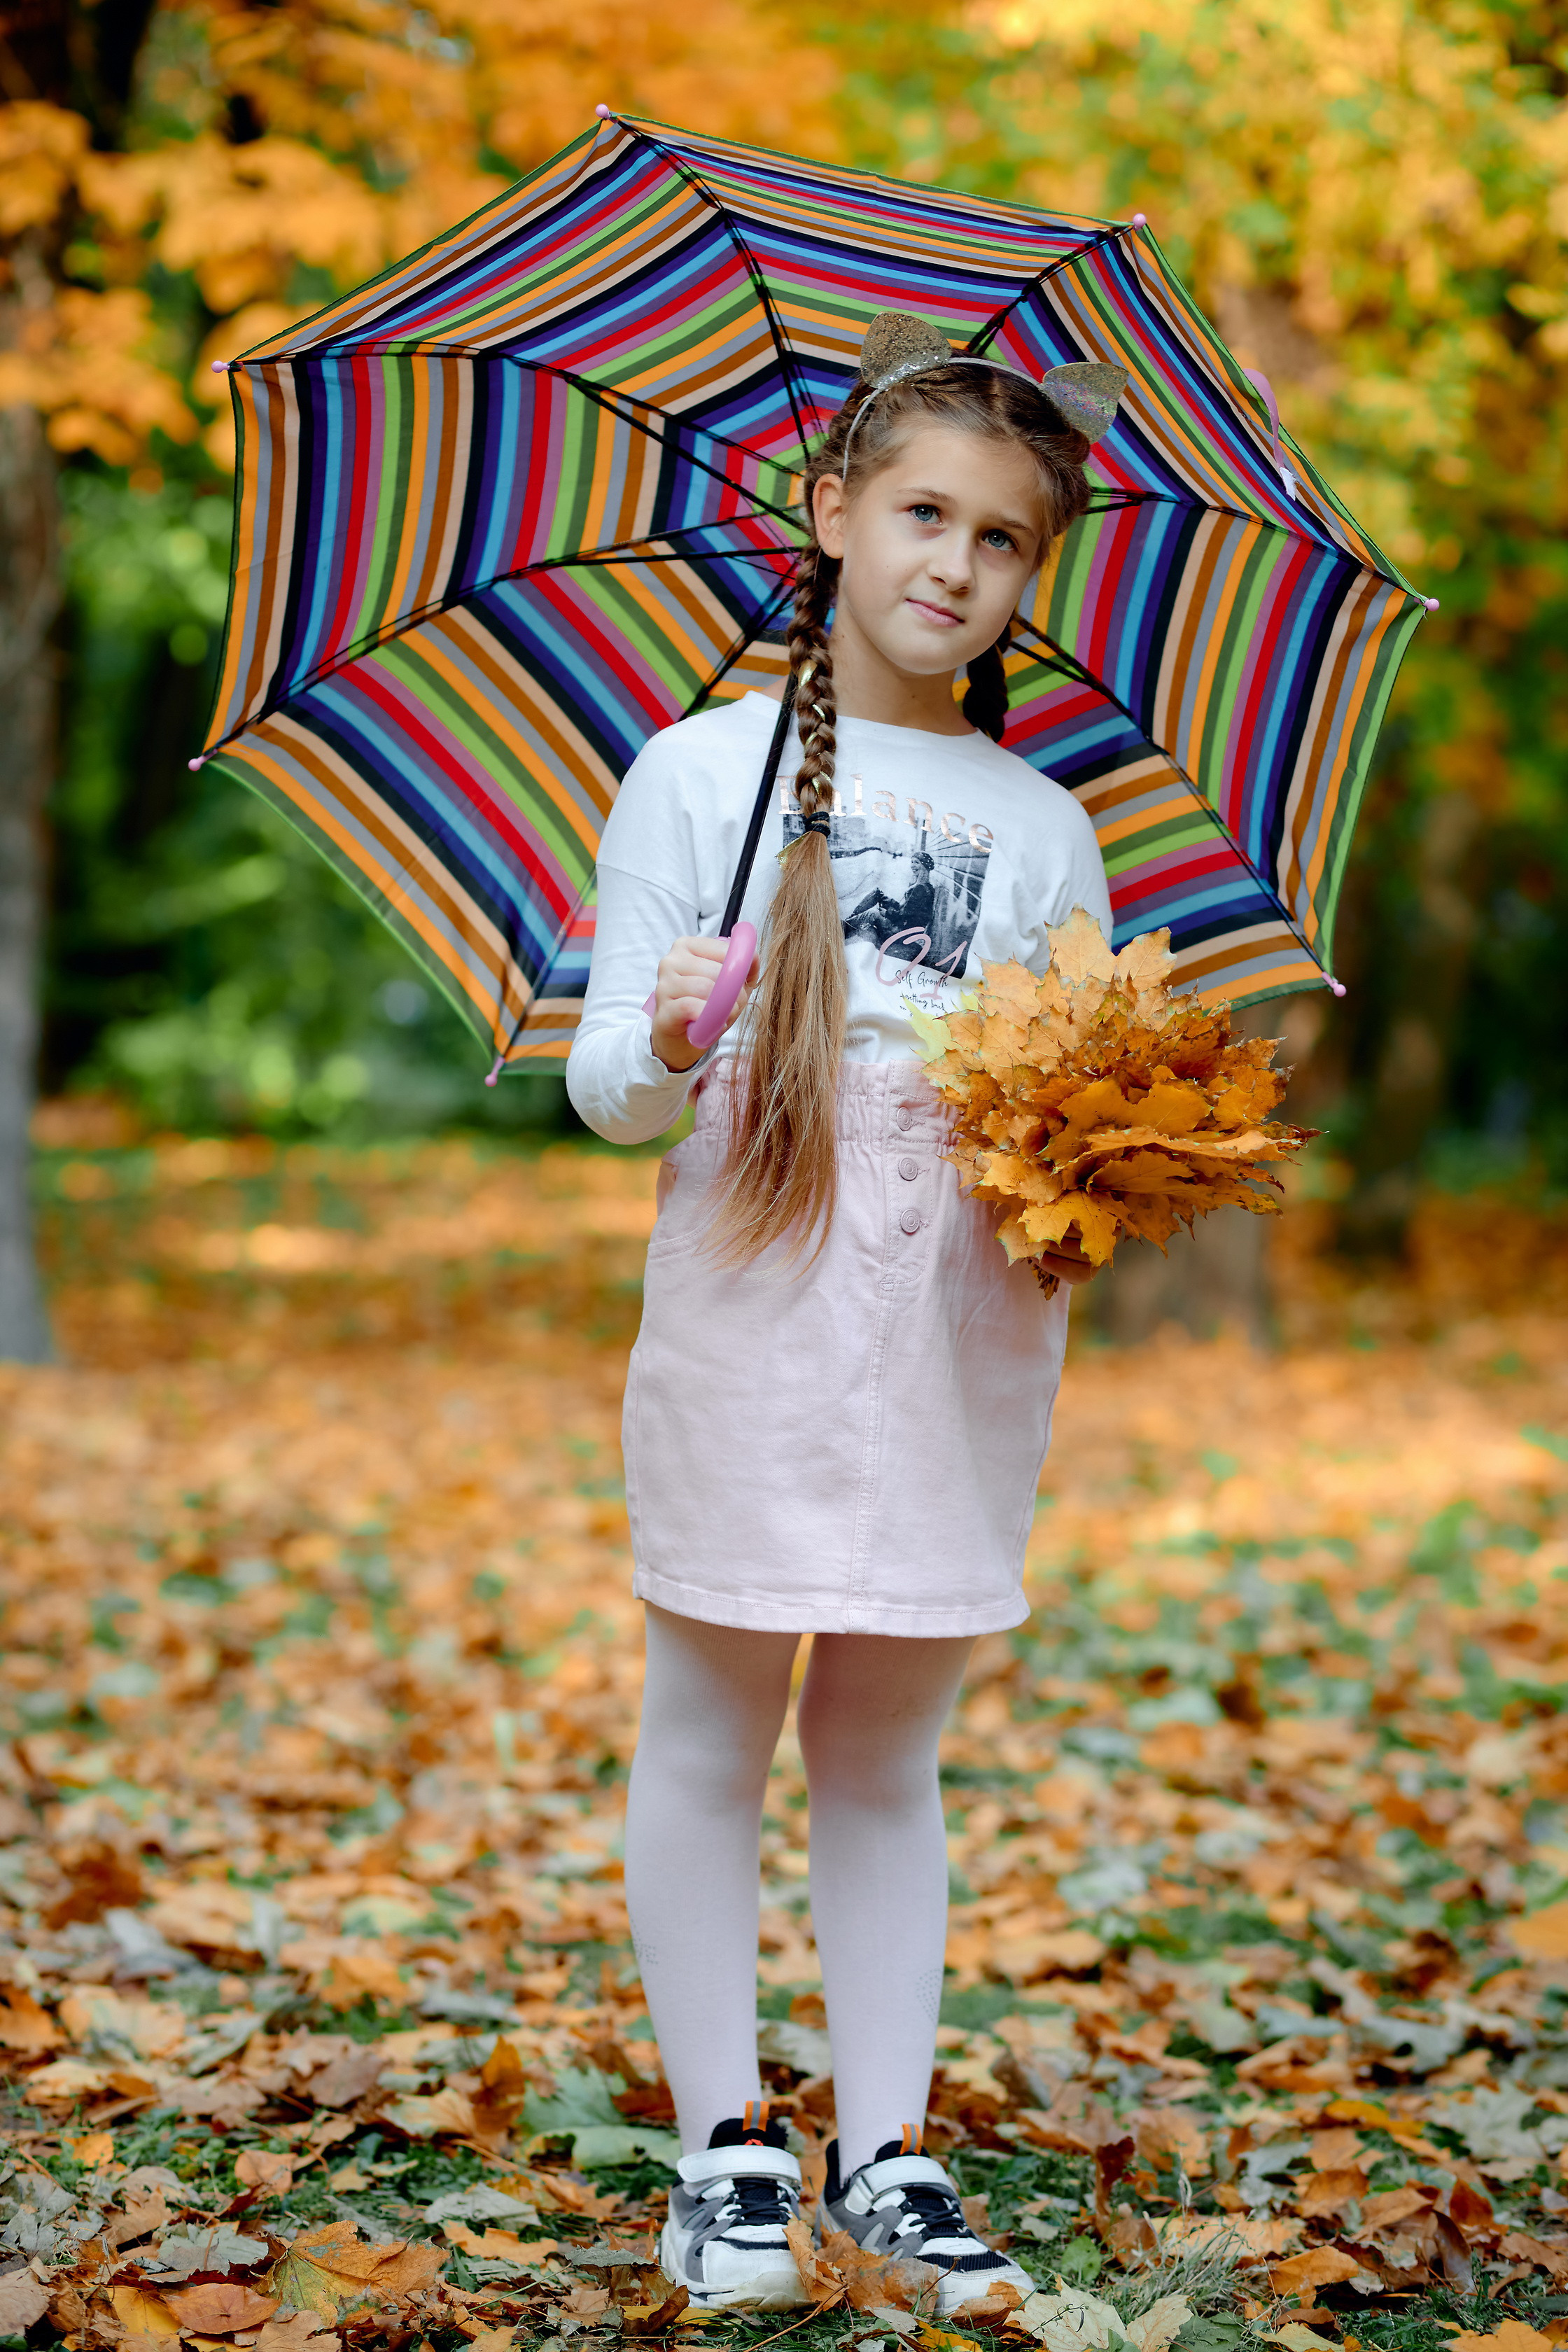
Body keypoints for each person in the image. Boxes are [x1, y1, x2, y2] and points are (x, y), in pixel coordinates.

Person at [566, 313, 1122, 2314]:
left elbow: (1067, 1091)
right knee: (713, 1721)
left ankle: (887, 2146)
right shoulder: (702, 773)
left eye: (1004, 539)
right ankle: (724, 2145)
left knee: (888, 1747)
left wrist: (1101, 1164)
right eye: (921, 513)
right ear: (834, 515)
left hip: (958, 1311)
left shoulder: (1049, 828)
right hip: (757, 1273)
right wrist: (674, 1027)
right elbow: (608, 1098)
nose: (956, 565)